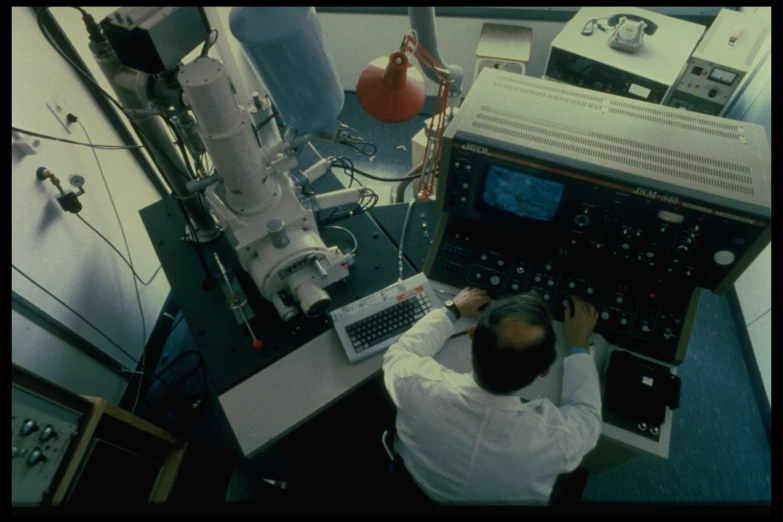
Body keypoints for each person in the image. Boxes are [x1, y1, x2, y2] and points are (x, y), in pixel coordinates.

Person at [382, 287, 601, 505]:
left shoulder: (416, 384)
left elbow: (399, 354)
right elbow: (587, 415)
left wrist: (452, 310)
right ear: (545, 371)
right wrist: (579, 344)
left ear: (472, 334)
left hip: (417, 487)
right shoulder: (556, 439)